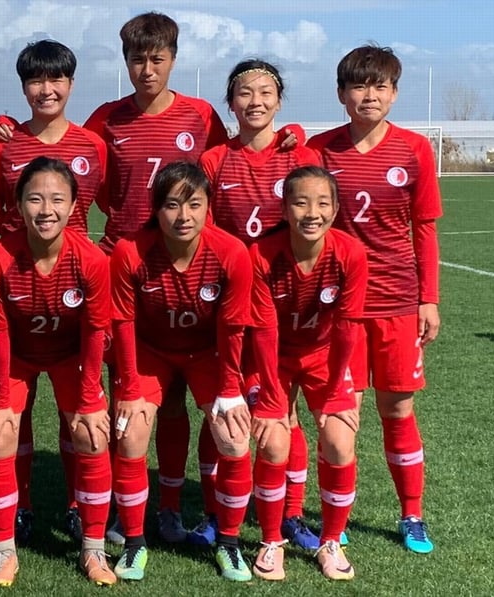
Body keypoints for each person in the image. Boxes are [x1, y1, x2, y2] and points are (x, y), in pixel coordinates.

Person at [83, 11, 230, 547]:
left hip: (190, 270)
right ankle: (128, 506)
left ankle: (191, 507)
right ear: (125, 62)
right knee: (135, 395)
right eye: (137, 59)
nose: (147, 69)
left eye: (157, 58)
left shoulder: (200, 115)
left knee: (197, 396)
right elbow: (85, 174)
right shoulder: (107, 118)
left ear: (173, 58)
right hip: (125, 267)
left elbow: (228, 161)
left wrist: (285, 140)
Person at [308, 45, 442, 554]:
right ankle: (334, 527)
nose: (370, 95)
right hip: (337, 306)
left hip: (397, 302)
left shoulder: (413, 150)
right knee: (342, 418)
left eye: (380, 86)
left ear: (394, 93)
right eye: (359, 86)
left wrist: (428, 299)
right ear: (342, 94)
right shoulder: (320, 150)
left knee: (398, 409)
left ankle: (412, 515)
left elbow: (423, 229)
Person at [0, 39, 107, 543]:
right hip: (19, 287)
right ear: (23, 87)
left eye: (56, 79)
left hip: (75, 288)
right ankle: (23, 505)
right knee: (13, 418)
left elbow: (109, 200)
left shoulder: (92, 145)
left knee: (78, 411)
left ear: (70, 85)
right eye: (36, 80)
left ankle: (80, 505)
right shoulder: (3, 146)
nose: (46, 89)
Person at [198, 59, 321, 550]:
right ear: (230, 103)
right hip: (225, 304)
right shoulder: (212, 161)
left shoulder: (300, 154)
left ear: (279, 101)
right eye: (244, 93)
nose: (256, 101)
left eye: (266, 92)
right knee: (220, 412)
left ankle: (290, 514)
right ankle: (213, 512)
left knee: (282, 410)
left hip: (283, 302)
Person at [109, 161, 253, 582]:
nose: (183, 216)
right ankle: (135, 543)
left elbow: (232, 327)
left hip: (206, 354)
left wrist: (230, 389)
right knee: (132, 431)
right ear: (156, 209)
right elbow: (122, 324)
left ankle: (229, 543)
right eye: (172, 205)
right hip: (150, 353)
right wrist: (130, 388)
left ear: (210, 206)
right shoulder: (129, 251)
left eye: (194, 204)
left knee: (233, 436)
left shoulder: (231, 253)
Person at [0, 157, 116, 587]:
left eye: (57, 199)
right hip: (14, 356)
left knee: (91, 434)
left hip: (69, 355)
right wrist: (0, 401)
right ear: (19, 205)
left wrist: (91, 397)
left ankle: (93, 549)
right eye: (35, 198)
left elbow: (95, 334)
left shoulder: (91, 260)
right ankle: (4, 552)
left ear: (75, 206)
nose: (46, 209)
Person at [248, 165, 368, 580]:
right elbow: (263, 333)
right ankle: (270, 541)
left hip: (324, 356)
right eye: (300, 202)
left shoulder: (350, 253)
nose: (311, 212)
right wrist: (268, 398)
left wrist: (337, 391)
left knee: (339, 440)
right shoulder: (261, 255)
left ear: (335, 209)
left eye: (322, 203)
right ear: (284, 207)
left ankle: (330, 541)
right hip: (272, 359)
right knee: (274, 443)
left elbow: (349, 328)